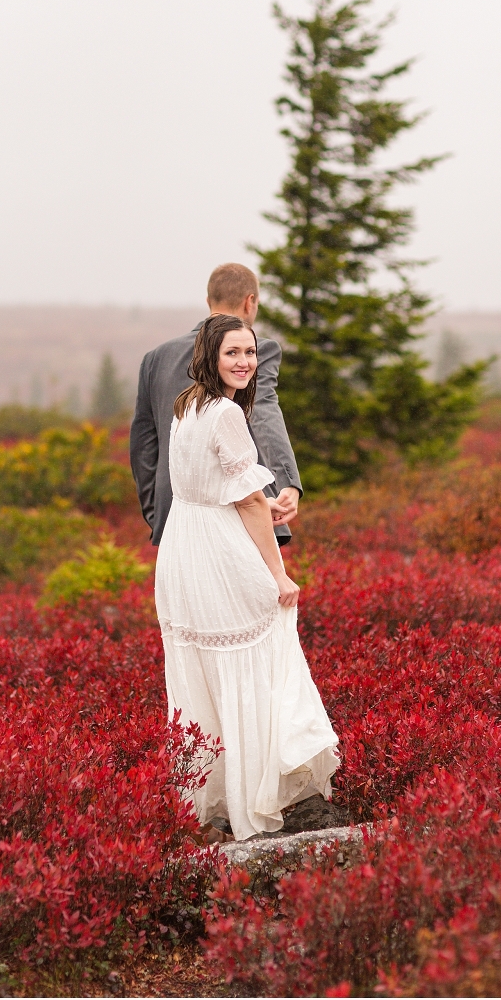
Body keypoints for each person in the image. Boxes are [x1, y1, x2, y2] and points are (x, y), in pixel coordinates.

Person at [152, 314, 339, 842]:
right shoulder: (228, 414)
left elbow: (220, 489)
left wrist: (263, 507)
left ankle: (212, 800)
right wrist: (278, 573)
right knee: (260, 652)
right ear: (210, 355)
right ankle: (255, 799)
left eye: (250, 352)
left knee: (208, 672)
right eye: (232, 352)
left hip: (184, 546)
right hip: (217, 552)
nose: (244, 362)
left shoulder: (186, 405)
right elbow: (248, 499)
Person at [130, 263, 302, 548]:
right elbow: (263, 412)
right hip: (243, 515)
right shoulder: (256, 352)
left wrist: (155, 510)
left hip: (173, 515)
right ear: (251, 302)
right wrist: (288, 482)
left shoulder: (156, 358)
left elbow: (143, 443)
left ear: (209, 301)